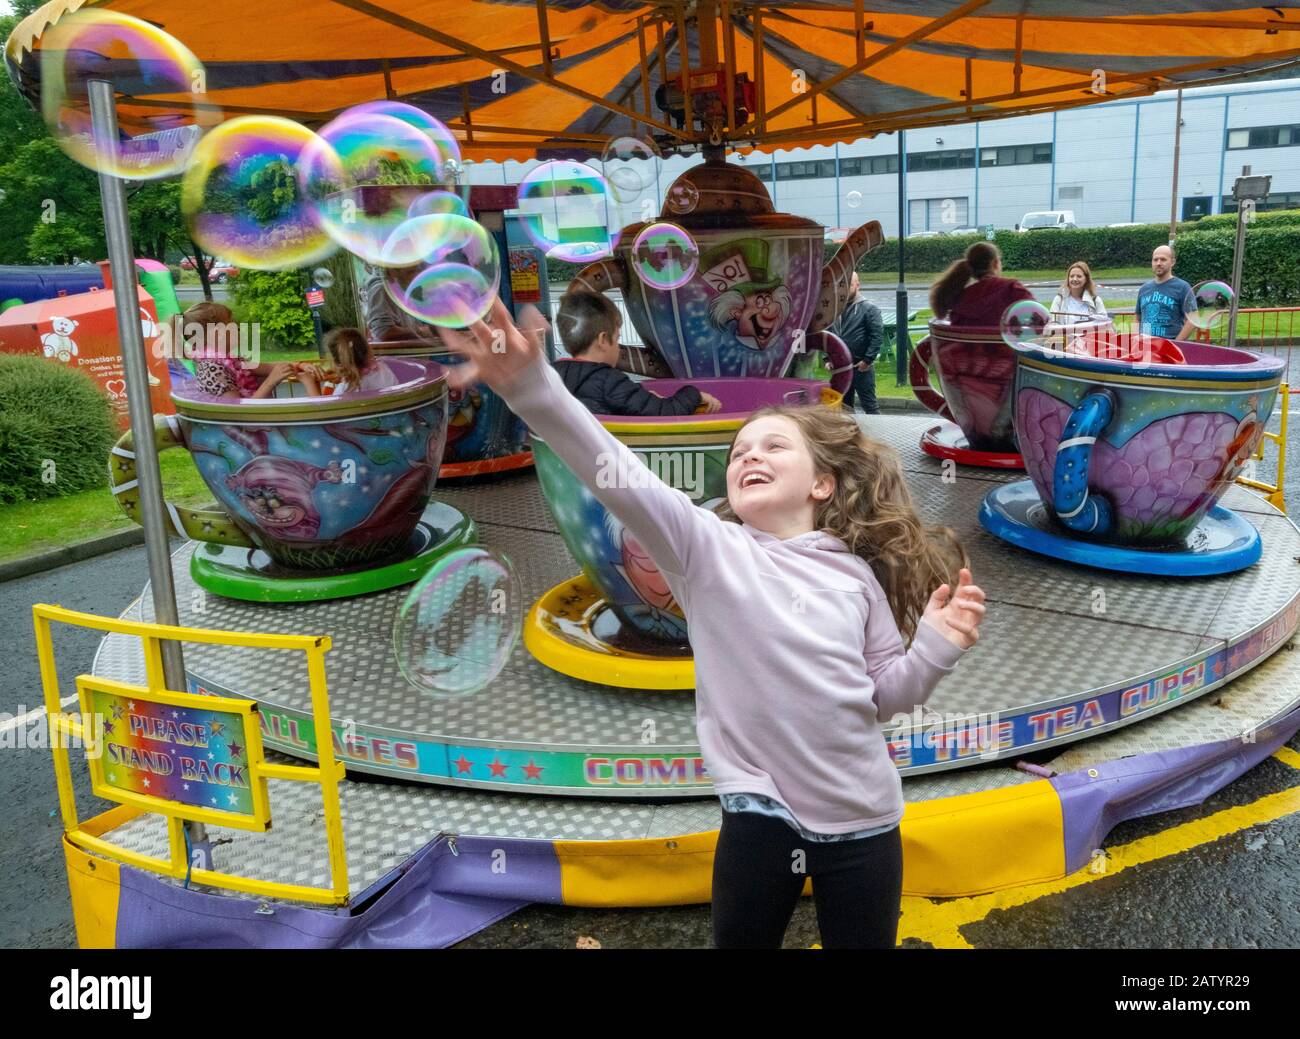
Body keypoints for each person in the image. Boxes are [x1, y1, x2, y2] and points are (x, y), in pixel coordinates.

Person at [440, 297, 986, 950]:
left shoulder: (855, 576)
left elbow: (884, 698)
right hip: (761, 812)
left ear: (822, 484)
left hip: (864, 816)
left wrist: (933, 649)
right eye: (738, 451)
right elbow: (615, 473)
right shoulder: (707, 550)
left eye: (774, 445)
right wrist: (533, 388)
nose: (748, 455)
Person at [553, 292, 722, 416]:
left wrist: (645, 397)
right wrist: (694, 394)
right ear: (603, 340)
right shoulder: (609, 380)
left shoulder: (553, 375)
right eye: (617, 338)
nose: (619, 348)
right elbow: (665, 412)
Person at [182, 301, 295, 399]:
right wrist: (271, 381)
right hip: (242, 424)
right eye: (232, 323)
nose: (238, 327)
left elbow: (267, 367)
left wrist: (299, 365)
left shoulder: (232, 360)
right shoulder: (212, 369)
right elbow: (237, 411)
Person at [929, 241, 1033, 329]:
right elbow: (1039, 317)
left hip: (966, 352)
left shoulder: (958, 298)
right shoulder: (1012, 289)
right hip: (1007, 352)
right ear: (995, 263)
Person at [832, 271, 885, 414]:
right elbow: (829, 335)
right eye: (842, 285)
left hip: (861, 367)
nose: (845, 288)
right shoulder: (835, 310)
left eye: (849, 284)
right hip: (841, 368)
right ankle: (850, 435)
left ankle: (879, 433)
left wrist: (867, 360)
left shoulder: (869, 308)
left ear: (857, 285)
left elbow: (877, 336)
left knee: (869, 406)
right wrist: (828, 358)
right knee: (844, 407)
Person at [294, 327, 399, 396]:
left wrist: (310, 383)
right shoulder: (383, 368)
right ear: (367, 349)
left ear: (337, 362)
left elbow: (324, 416)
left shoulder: (345, 390)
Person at [1136, 245, 1196, 340]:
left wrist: (1176, 343)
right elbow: (1138, 318)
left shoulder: (1182, 287)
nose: (1158, 263)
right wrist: (1137, 339)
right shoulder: (1144, 288)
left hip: (1170, 348)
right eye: (1155, 260)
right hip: (1146, 347)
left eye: (1163, 259)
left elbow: (1192, 320)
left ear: (1172, 262)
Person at [1049, 261, 1109, 325]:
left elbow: (1104, 323)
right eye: (1072, 276)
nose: (1074, 279)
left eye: (1079, 276)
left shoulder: (1096, 300)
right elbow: (1053, 324)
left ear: (1086, 279)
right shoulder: (1059, 299)